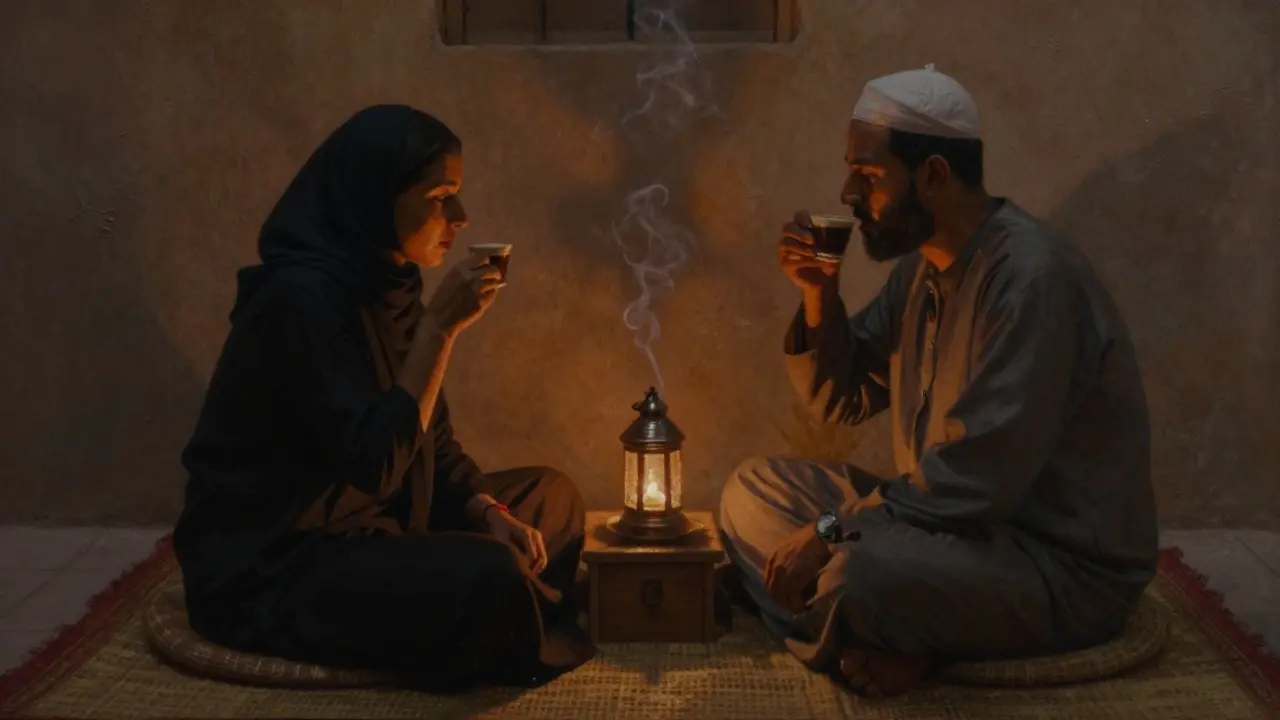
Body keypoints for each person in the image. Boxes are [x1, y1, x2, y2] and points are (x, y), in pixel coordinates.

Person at [718, 66, 1158, 697]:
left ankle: (900, 634)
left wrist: (826, 532)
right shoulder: (921, 272)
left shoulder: (1032, 282)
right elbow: (843, 397)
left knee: (855, 572)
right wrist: (818, 297)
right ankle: (896, 634)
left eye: (867, 175)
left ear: (932, 175)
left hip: (1050, 563)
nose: (846, 192)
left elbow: (978, 482)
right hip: (949, 533)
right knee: (750, 490)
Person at [173, 105, 594, 690]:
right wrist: (439, 332)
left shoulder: (390, 283)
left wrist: (486, 510)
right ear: (376, 193)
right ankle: (506, 609)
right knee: (489, 573)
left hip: (385, 523)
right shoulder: (298, 305)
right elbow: (375, 463)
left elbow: (432, 441)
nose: (461, 217)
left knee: (551, 497)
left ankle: (505, 609)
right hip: (289, 558)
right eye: (440, 196)